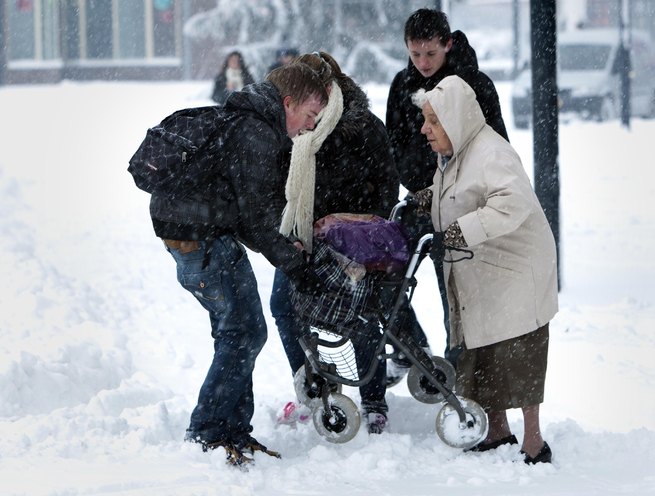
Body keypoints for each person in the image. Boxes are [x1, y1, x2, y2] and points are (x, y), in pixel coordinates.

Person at [148, 63, 329, 466]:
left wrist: (285, 249)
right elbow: (259, 218)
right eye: (310, 116)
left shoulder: (246, 121)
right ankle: (209, 429)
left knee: (239, 332)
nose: (309, 127)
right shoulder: (256, 133)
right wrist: (296, 265)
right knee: (244, 333)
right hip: (203, 243)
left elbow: (245, 213)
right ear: (288, 103)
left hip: (200, 238)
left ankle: (232, 428)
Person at [413, 75, 558, 464]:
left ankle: (533, 441)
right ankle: (497, 431)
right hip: (484, 266)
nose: (424, 128)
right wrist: (424, 200)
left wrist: (457, 232)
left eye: (432, 120)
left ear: (455, 119)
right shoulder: (455, 153)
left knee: (519, 349)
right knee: (483, 348)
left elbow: (511, 204)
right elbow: (458, 194)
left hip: (516, 267)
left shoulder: (492, 153)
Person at [270, 51, 400, 433]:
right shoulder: (297, 129)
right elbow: (283, 189)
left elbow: (386, 192)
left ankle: (374, 400)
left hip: (355, 244)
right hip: (303, 239)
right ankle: (314, 387)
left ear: (329, 87)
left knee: (358, 317)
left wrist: (347, 223)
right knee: (283, 305)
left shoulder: (364, 127)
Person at [384, 8, 510, 381]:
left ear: (448, 44)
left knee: (456, 296)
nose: (422, 62)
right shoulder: (402, 85)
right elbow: (393, 146)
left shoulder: (475, 85)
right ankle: (409, 345)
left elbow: (497, 146)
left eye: (430, 54)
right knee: (380, 273)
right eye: (415, 54)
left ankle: (461, 377)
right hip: (420, 199)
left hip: (463, 204)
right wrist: (415, 184)